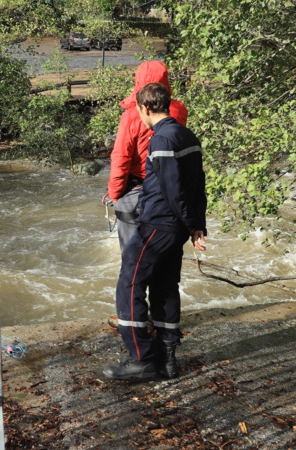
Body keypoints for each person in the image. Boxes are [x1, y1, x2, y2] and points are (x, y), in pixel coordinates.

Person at [103, 82, 207, 382]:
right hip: (176, 228)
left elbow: (171, 188)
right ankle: (167, 358)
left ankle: (142, 359)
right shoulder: (187, 135)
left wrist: (186, 223)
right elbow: (197, 186)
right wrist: (197, 225)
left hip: (158, 223)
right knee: (165, 286)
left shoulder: (161, 140)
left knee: (129, 284)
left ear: (145, 109)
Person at [104, 60, 189, 330]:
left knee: (133, 261)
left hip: (135, 191)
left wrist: (114, 193)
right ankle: (161, 322)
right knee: (164, 265)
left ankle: (133, 321)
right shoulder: (178, 111)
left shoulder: (132, 115)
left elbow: (120, 157)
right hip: (168, 191)